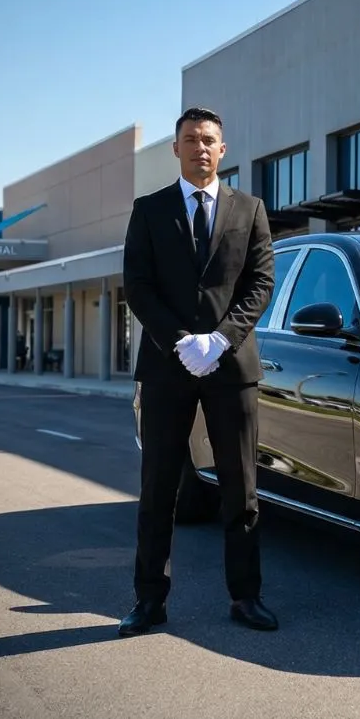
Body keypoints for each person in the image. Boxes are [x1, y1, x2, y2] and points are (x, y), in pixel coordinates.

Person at [118, 107, 277, 635]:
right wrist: (180, 341)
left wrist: (219, 341)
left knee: (242, 490)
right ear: (176, 148)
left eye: (209, 140)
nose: (200, 148)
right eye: (190, 139)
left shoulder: (250, 209)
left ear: (223, 150)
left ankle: (246, 596)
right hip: (167, 367)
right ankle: (149, 600)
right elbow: (137, 286)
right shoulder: (149, 210)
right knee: (159, 488)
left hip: (231, 368)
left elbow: (260, 284)